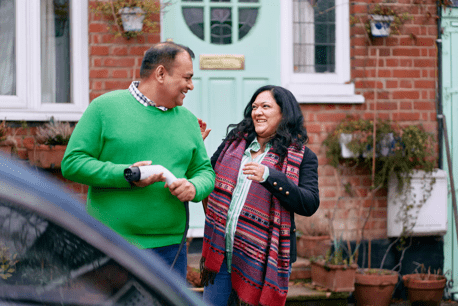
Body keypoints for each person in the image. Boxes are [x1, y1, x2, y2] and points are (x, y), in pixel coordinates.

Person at [61, 42, 215, 279]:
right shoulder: (104, 108)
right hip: (111, 243)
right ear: (161, 73)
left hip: (170, 248)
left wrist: (194, 187)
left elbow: (205, 171)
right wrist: (127, 175)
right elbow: (72, 163)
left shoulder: (187, 120)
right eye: (187, 78)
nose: (191, 86)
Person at [200, 85, 320, 306]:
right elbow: (206, 178)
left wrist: (269, 177)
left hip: (262, 260)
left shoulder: (302, 156)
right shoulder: (232, 144)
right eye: (255, 107)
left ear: (284, 113)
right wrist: (197, 148)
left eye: (266, 106)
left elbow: (309, 203)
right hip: (221, 253)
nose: (258, 112)